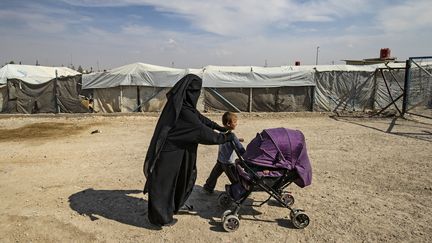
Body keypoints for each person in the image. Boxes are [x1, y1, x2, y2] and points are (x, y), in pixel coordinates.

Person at [143, 74, 234, 227]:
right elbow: (200, 131)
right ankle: (160, 218)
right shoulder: (183, 111)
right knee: (163, 186)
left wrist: (218, 127)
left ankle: (172, 207)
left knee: (178, 180)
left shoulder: (183, 105)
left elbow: (200, 119)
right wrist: (225, 138)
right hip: (169, 153)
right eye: (196, 91)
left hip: (178, 151)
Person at [203, 112, 245, 194]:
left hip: (220, 159)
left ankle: (208, 187)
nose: (236, 124)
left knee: (214, 175)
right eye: (235, 122)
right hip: (228, 162)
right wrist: (246, 155)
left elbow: (226, 141)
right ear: (229, 123)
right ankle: (240, 190)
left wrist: (238, 139)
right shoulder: (232, 136)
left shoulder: (221, 133)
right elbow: (239, 148)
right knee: (234, 178)